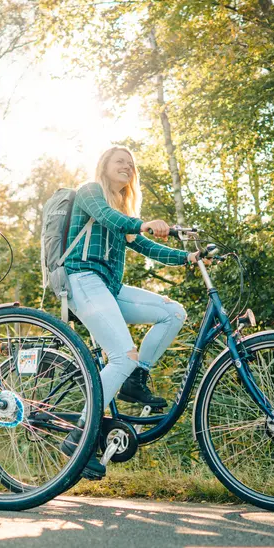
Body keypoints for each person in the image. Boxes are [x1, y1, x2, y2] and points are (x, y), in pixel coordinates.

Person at [60, 146, 202, 476]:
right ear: (104, 164)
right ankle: (78, 436)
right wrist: (143, 223)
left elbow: (146, 246)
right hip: (82, 277)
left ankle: (136, 380)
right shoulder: (90, 192)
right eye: (120, 160)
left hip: (109, 287)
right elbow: (109, 217)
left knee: (173, 313)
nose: (127, 166)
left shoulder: (123, 210)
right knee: (122, 355)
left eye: (131, 164)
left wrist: (187, 259)